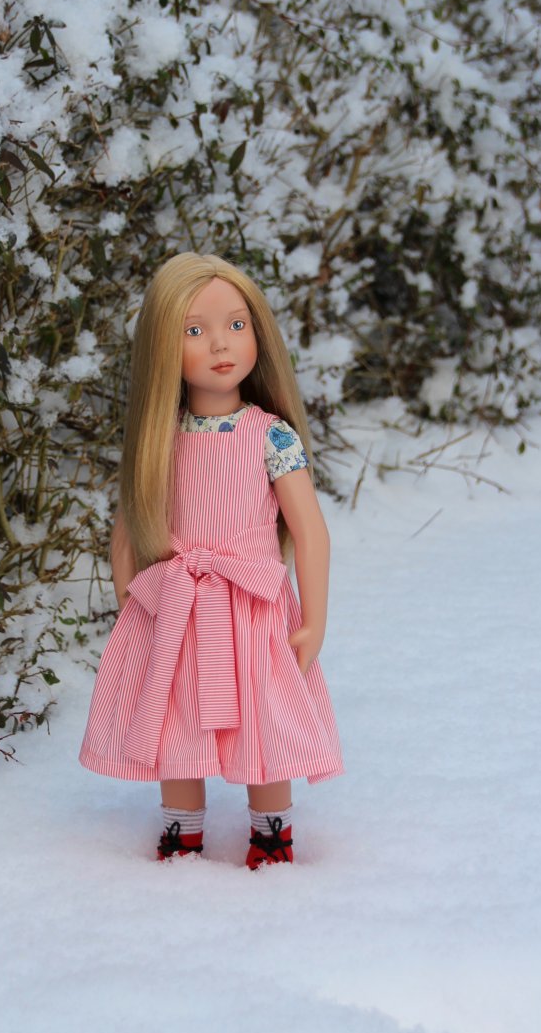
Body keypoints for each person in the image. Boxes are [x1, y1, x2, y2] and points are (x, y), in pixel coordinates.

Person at [78, 252, 343, 868]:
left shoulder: (271, 435)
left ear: (259, 333)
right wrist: (134, 607)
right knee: (177, 715)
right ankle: (182, 831)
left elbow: (312, 533)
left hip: (252, 608)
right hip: (180, 608)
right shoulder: (160, 437)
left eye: (236, 325)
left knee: (264, 717)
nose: (220, 344)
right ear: (162, 349)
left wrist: (315, 620)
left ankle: (271, 834)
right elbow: (126, 531)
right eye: (194, 331)